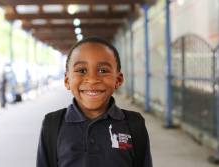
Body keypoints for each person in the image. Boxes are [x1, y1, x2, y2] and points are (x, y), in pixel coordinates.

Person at [36, 37, 152, 167]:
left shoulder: (134, 123)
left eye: (103, 71)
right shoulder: (52, 124)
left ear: (118, 80)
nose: (92, 79)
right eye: (81, 70)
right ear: (67, 81)